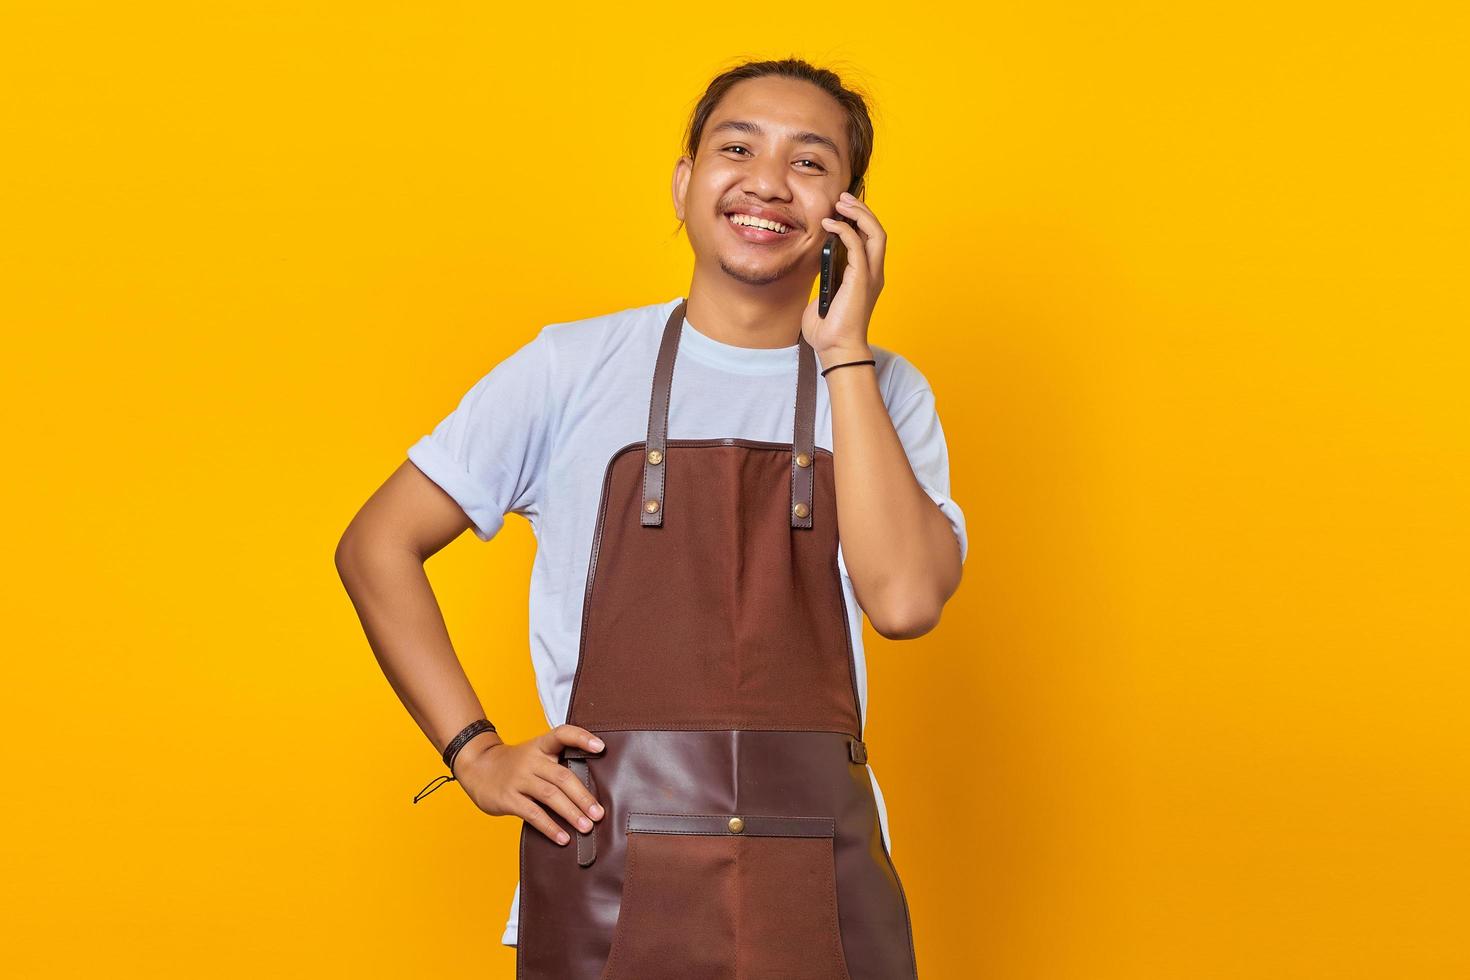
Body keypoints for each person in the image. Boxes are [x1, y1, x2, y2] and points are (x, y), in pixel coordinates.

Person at [335, 57, 967, 978]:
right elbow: (376, 544)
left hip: (817, 878)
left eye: (809, 162)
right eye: (738, 147)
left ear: (848, 214)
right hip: (609, 868)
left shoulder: (884, 389)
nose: (766, 182)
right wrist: (474, 754)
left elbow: (906, 603)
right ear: (685, 182)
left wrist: (844, 355)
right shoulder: (571, 368)